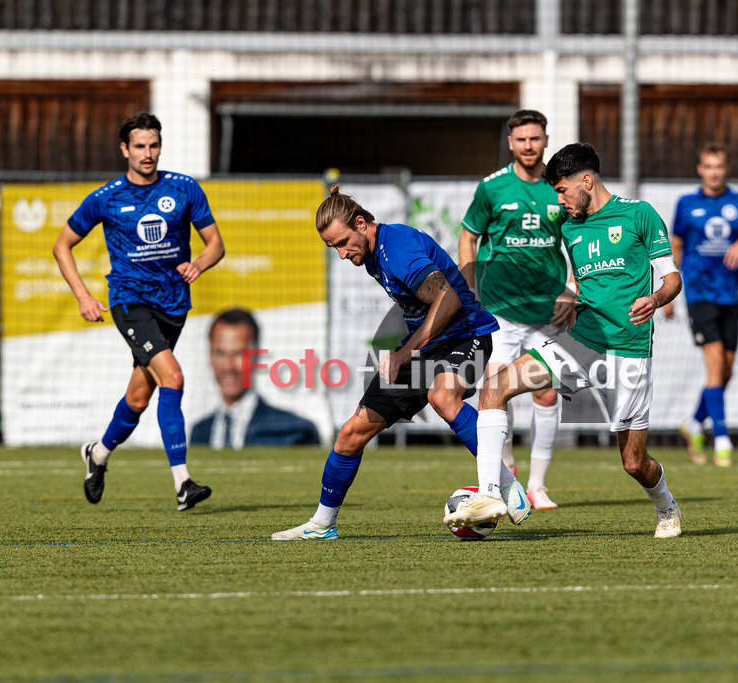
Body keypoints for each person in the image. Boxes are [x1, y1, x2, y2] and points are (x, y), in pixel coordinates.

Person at [271, 185, 532, 541]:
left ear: (362, 223)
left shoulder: (398, 249)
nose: (343, 254)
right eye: (333, 248)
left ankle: (507, 485)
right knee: (350, 435)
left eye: (344, 242)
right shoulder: (372, 252)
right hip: (426, 347)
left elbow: (449, 300)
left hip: (467, 334)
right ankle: (321, 524)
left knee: (443, 397)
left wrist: (404, 353)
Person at [450, 142, 684, 539]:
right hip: (581, 340)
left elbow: (672, 278)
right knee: (494, 388)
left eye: (561, 190)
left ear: (587, 181)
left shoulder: (639, 215)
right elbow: (580, 278)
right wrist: (567, 293)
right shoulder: (569, 225)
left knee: (633, 463)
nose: (558, 200)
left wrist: (657, 298)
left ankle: (666, 506)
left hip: (627, 349)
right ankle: (491, 493)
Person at [53, 111, 225, 511]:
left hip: (174, 304)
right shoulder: (105, 198)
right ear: (124, 149)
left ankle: (97, 454)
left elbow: (215, 243)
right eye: (140, 146)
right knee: (174, 377)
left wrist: (199, 263)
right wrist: (83, 296)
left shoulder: (184, 189)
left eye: (154, 145)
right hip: (129, 301)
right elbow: (62, 245)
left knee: (138, 397)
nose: (148, 154)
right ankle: (183, 483)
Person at [459, 109, 573, 510]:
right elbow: (469, 236)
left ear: (545, 140)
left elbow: (575, 237)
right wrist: (468, 289)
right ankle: (507, 478)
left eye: (535, 138)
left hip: (547, 312)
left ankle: (538, 486)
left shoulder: (558, 187)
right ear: (511, 143)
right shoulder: (492, 188)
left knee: (546, 394)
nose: (528, 146)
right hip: (500, 312)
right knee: (495, 393)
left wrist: (572, 287)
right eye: (521, 139)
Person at [666, 142, 738, 467]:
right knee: (716, 362)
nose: (714, 172)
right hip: (699, 293)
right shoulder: (686, 204)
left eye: (718, 166)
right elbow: (675, 245)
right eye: (708, 166)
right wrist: (669, 290)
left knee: (726, 369)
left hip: (729, 296)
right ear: (700, 169)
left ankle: (694, 423)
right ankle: (721, 438)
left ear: (726, 169)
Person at [190, 308, 321, 448]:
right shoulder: (199, 433)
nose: (228, 366)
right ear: (210, 356)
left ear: (257, 355)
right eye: (220, 353)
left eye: (239, 354)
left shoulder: (295, 432)